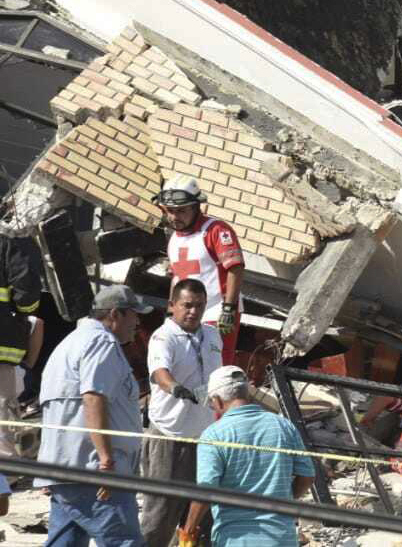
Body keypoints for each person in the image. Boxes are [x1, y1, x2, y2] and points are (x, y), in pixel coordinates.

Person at [37, 285, 153, 547]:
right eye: (134, 314)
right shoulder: (102, 343)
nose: (138, 321)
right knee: (125, 541)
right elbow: (93, 398)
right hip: (94, 471)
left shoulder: (71, 343)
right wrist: (106, 461)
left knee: (66, 542)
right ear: (115, 314)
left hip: (66, 468)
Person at [183, 366, 315, 547]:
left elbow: (207, 490)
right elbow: (307, 476)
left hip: (236, 539)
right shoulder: (283, 426)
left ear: (218, 401)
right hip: (282, 538)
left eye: (212, 403)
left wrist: (188, 530)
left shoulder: (213, 435)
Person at [140, 278, 223, 547]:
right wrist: (176, 389)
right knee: (161, 513)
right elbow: (159, 372)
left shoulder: (212, 335)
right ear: (172, 306)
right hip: (170, 434)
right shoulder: (163, 337)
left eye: (199, 306)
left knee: (201, 514)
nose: (193, 312)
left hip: (204, 436)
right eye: (187, 305)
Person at [154, 176, 246, 366]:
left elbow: (235, 268)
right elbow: (177, 279)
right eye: (169, 211)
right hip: (184, 314)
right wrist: (171, 311)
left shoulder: (216, 230)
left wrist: (229, 308)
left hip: (216, 313)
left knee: (215, 366)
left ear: (196, 207)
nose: (174, 217)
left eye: (181, 211)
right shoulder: (174, 239)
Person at [0, 233, 41, 458]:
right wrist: (23, 316)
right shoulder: (4, 245)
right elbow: (26, 291)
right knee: (2, 419)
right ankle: (7, 476)